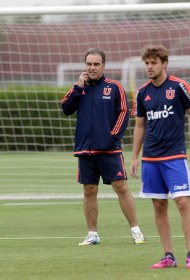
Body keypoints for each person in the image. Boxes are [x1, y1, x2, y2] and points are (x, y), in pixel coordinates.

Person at [62, 48, 145, 246]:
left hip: (109, 149)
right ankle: (92, 234)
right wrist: (77, 87)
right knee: (89, 191)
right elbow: (66, 108)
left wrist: (112, 137)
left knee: (121, 187)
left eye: (96, 64)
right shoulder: (79, 88)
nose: (92, 68)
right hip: (85, 150)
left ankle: (136, 231)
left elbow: (124, 113)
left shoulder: (114, 87)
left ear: (103, 66)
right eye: (89, 64)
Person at [130, 45, 190, 269]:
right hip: (151, 159)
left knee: (182, 201)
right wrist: (134, 156)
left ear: (164, 64)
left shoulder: (179, 86)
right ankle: (168, 255)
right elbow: (140, 125)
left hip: (175, 157)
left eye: (153, 63)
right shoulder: (142, 93)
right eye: (147, 63)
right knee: (159, 205)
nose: (149, 67)